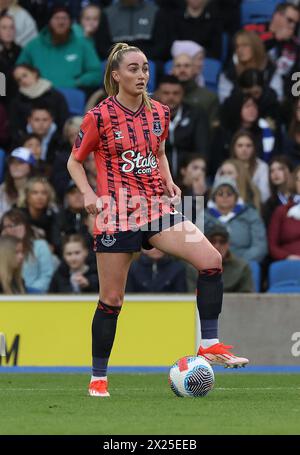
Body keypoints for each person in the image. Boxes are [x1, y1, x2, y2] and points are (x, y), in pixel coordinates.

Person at [66, 42, 248, 398]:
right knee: (112, 300)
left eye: (146, 68)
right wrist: (88, 193)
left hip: (154, 208)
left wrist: (168, 179)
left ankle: (208, 342)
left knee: (210, 260)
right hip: (117, 213)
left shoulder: (160, 112)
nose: (142, 75)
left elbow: (159, 151)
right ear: (116, 75)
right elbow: (75, 161)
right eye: (133, 69)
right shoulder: (99, 116)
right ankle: (98, 377)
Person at [16, 6, 101, 92]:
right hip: (39, 95)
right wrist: (33, 83)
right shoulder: (33, 45)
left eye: (64, 18)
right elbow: (18, 70)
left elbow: (96, 73)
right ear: (49, 21)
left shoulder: (82, 44)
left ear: (71, 22)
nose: (61, 22)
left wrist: (78, 82)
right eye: (56, 18)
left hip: (72, 94)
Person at [155, 75, 209, 176]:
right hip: (157, 176)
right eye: (166, 93)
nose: (171, 97)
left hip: (189, 176)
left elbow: (202, 150)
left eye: (176, 93)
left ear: (183, 94)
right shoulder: (148, 116)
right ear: (158, 94)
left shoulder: (196, 115)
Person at [205, 176, 267, 263]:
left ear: (236, 197)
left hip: (244, 264)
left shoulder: (250, 213)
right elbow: (194, 245)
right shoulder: (203, 216)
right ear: (214, 197)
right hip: (210, 263)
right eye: (220, 193)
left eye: (229, 193)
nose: (225, 196)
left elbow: (260, 246)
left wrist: (239, 263)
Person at [244, 2, 300, 98]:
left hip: (282, 97)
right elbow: (248, 52)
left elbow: (296, 76)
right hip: (251, 90)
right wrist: (274, 38)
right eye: (290, 20)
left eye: (296, 23)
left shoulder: (295, 45)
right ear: (277, 15)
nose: (293, 26)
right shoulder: (253, 29)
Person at [94, 0, 173, 62]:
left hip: (148, 59)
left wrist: (139, 57)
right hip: (117, 60)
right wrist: (121, 58)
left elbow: (161, 45)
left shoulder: (155, 12)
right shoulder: (107, 13)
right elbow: (102, 46)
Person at [218, 30, 283, 103]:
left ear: (255, 47)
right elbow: (224, 103)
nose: (240, 50)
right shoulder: (229, 74)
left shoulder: (270, 71)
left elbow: (278, 100)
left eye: (245, 45)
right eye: (237, 46)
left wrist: (261, 93)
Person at [185, 224, 254, 293]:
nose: (217, 246)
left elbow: (247, 297)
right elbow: (191, 297)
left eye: (222, 242)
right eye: (213, 241)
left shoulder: (242, 267)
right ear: (205, 243)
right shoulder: (193, 268)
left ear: (228, 244)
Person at [0, 208, 55, 292]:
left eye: (17, 224)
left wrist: (28, 292)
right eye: (10, 226)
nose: (14, 228)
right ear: (3, 230)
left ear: (25, 226)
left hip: (34, 294)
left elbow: (47, 276)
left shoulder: (40, 245)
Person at [10, 64, 69, 134]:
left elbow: (63, 121)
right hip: (28, 141)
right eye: (18, 80)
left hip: (56, 139)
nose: (23, 80)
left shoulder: (55, 95)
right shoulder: (17, 102)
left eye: (24, 75)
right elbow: (16, 128)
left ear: (34, 73)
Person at [171, 53, 219, 129]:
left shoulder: (210, 98)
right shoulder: (161, 97)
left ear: (194, 70)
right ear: (172, 70)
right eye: (178, 66)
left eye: (187, 66)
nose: (182, 70)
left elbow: (211, 129)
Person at [17, 176, 59, 251]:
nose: (40, 197)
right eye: (35, 193)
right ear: (27, 196)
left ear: (48, 196)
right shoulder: (17, 215)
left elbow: (55, 244)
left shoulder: (53, 216)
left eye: (44, 193)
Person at [268, 165, 300, 260]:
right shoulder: (282, 211)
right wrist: (288, 257)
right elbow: (272, 246)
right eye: (299, 179)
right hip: (289, 263)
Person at [230, 130, 271, 203]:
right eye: (240, 145)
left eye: (248, 145)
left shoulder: (262, 167)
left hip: (255, 208)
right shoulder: (226, 167)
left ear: (254, 148)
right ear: (234, 148)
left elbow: (265, 196)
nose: (244, 149)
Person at [0, 146, 35, 218]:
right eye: (12, 162)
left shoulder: (38, 188)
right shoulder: (2, 189)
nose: (15, 166)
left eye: (20, 162)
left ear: (30, 166)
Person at [262, 155, 295, 226]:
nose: (275, 173)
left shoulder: (297, 197)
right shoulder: (269, 205)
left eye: (280, 169)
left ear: (291, 172)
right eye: (272, 171)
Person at [0, 14, 21, 102]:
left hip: (18, 98)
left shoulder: (21, 51)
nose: (8, 31)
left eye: (11, 27)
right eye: (4, 27)